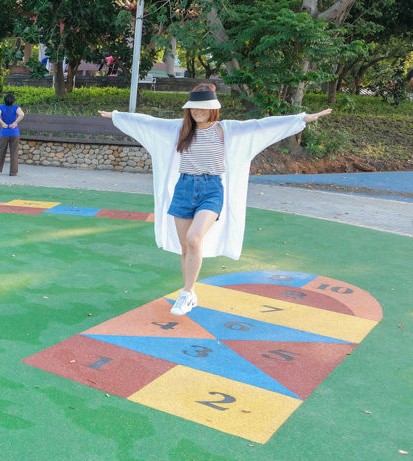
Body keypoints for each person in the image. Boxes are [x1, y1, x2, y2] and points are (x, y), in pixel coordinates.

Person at [98, 84, 331, 316]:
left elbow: (261, 125)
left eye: (202, 107)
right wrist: (117, 117)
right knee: (185, 247)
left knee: (194, 237)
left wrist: (302, 118)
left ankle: (187, 293)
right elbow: (148, 122)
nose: (197, 111)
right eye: (193, 108)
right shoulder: (180, 129)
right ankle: (189, 291)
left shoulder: (225, 130)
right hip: (184, 189)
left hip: (211, 190)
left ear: (213, 109)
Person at [0, 92, 25, 176]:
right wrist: (15, 122)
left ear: (5, 100)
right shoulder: (16, 107)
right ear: (13, 100)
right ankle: (13, 172)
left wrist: (2, 123)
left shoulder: (1, 107)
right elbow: (22, 114)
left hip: (4, 133)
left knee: (0, 151)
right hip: (14, 132)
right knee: (14, 152)